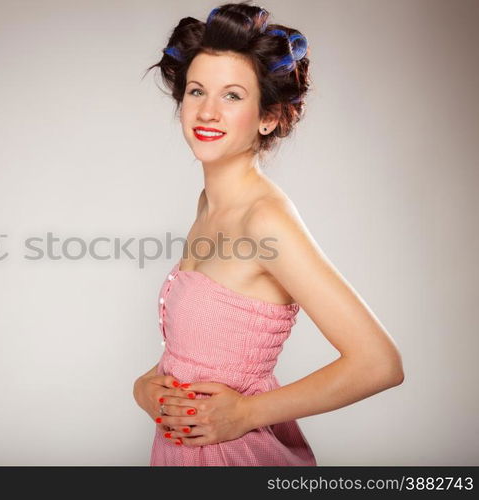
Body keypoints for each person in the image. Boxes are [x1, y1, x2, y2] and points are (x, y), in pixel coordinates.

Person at [133, 1, 405, 466]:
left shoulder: (264, 219)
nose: (208, 111)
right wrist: (146, 386)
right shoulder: (210, 205)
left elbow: (379, 363)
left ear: (268, 116)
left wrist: (244, 413)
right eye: (197, 91)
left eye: (233, 96)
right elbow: (210, 350)